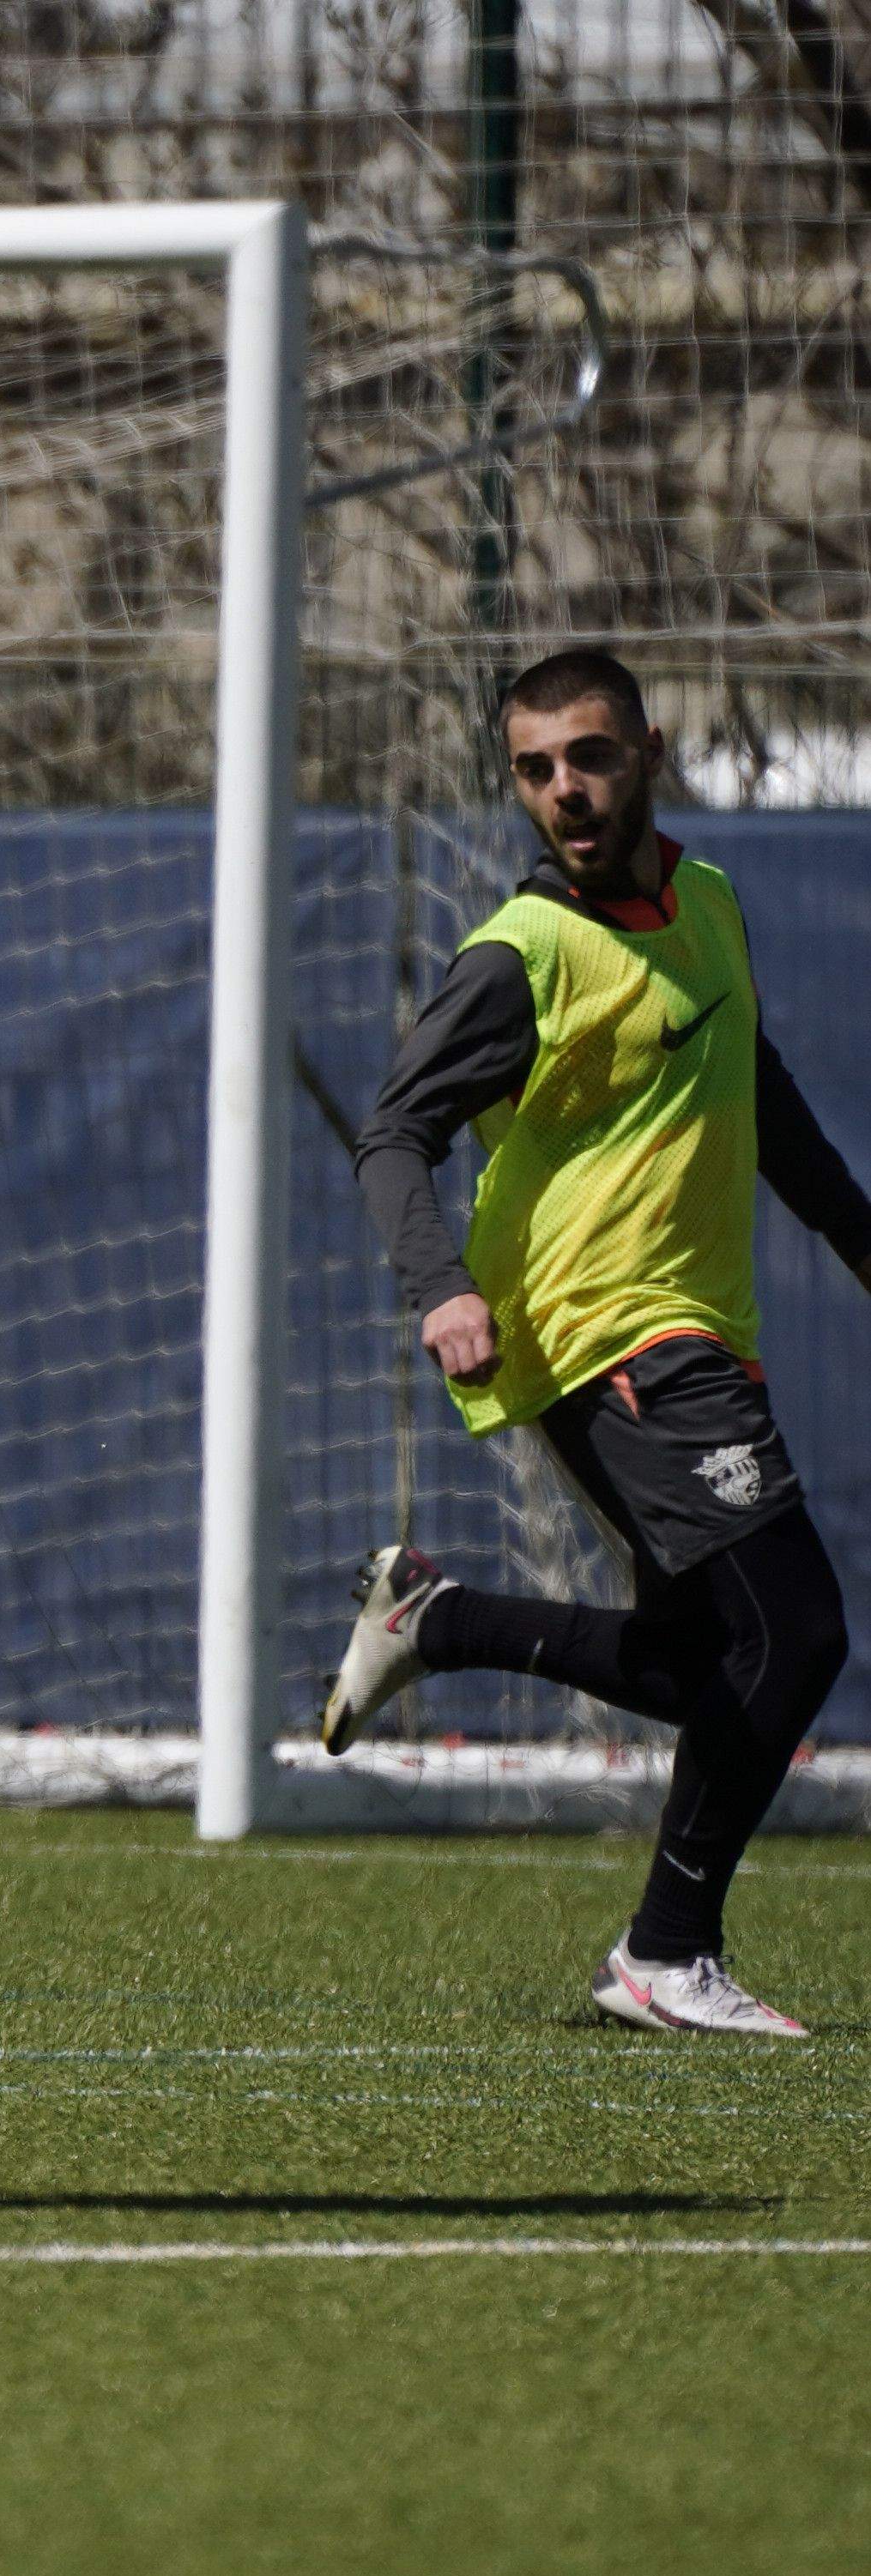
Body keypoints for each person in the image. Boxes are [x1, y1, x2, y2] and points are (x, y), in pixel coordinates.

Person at [324, 646, 865, 2037]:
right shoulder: (520, 953)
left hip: (690, 1332)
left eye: (586, 755)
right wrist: (435, 1282)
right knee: (796, 1630)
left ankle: (438, 1618)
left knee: (707, 1663)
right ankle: (662, 1949)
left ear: (648, 750)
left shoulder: (709, 903)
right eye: (530, 767)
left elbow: (766, 1101)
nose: (560, 788)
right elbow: (391, 1134)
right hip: (598, 1333)